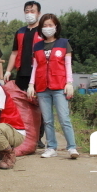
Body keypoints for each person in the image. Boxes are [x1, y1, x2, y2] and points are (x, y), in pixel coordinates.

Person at [27, 13, 79, 159]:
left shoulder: (64, 43)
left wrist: (69, 83)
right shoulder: (37, 46)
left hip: (59, 86)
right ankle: (51, 147)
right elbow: (35, 67)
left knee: (64, 118)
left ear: (56, 26)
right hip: (42, 88)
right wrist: (31, 85)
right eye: (44, 25)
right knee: (48, 120)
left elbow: (68, 65)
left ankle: (72, 147)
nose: (47, 28)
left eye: (50, 25)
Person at [3, 1, 45, 148]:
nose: (29, 14)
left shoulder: (43, 30)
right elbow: (14, 53)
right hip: (22, 72)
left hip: (39, 73)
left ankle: (38, 137)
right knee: (21, 104)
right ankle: (22, 135)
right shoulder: (20, 32)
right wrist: (8, 70)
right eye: (27, 11)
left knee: (39, 105)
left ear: (39, 13)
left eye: (32, 11)